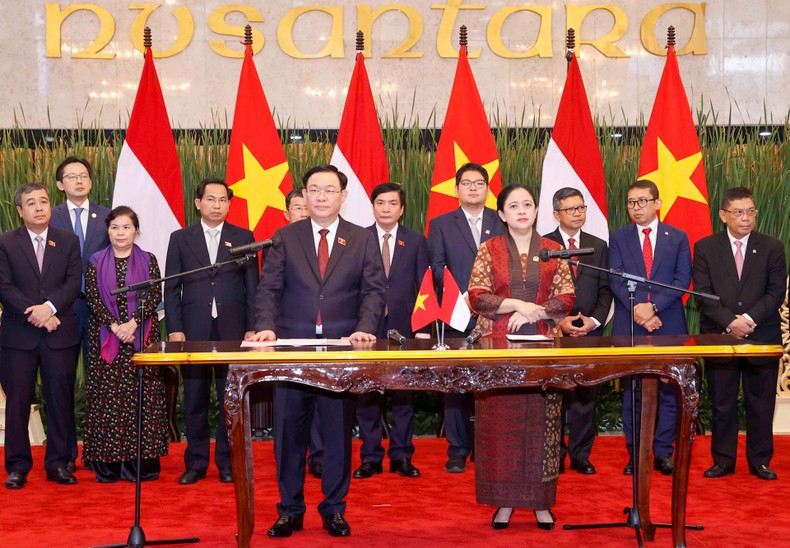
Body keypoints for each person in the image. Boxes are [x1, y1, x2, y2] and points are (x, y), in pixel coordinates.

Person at [250, 164, 386, 538]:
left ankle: (334, 509)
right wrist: (266, 326)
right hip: (293, 345)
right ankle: (290, 509)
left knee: (337, 433)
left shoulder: (361, 239)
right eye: (314, 190)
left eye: (329, 190)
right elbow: (269, 289)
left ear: (343, 196)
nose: (321, 196)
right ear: (304, 196)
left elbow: (374, 290)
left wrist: (364, 329)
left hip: (341, 347)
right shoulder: (284, 236)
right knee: (289, 435)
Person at [467, 184, 575, 530]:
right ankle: (503, 505)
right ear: (501, 214)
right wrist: (517, 304)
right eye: (513, 206)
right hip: (497, 350)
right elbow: (477, 296)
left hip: (543, 348)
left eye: (527, 204)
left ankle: (542, 505)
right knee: (499, 428)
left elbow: (567, 297)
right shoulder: (490, 249)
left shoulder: (553, 249)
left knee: (543, 426)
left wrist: (537, 313)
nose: (521, 210)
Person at [164, 179, 258, 485]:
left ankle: (227, 463)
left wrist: (253, 328)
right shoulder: (180, 238)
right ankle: (196, 462)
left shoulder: (243, 237)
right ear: (198, 203)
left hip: (234, 330)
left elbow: (252, 288)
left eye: (223, 200)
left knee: (230, 399)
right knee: (195, 398)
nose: (217, 205)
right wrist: (175, 328)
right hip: (194, 330)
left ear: (230, 205)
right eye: (211, 199)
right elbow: (171, 287)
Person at [693, 186, 787, 481]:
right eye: (738, 212)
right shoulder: (706, 247)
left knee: (760, 402)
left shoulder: (772, 247)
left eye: (750, 211)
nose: (746, 218)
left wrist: (747, 318)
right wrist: (730, 322)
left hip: (762, 334)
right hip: (722, 336)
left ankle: (760, 461)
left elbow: (775, 293)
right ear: (724, 215)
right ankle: (723, 460)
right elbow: (703, 294)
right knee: (722, 401)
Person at [0, 182, 82, 489]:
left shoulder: (68, 240)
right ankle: (18, 466)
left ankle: (59, 463)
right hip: (18, 337)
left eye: (44, 201)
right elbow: (4, 286)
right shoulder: (5, 243)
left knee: (60, 400)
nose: (39, 207)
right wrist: (35, 314)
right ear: (20, 211)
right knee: (19, 402)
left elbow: (74, 282)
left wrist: (48, 308)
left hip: (59, 332)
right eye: (31, 203)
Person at [608, 179, 691, 476]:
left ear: (657, 204)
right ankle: (636, 453)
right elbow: (615, 280)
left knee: (668, 390)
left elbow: (682, 281)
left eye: (642, 201)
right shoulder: (619, 238)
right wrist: (640, 311)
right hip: (631, 325)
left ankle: (663, 453)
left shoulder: (677, 237)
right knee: (633, 391)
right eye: (631, 202)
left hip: (668, 321)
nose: (636, 207)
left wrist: (653, 307)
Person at [427, 162, 506, 473]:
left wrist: (487, 299)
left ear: (488, 189)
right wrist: (461, 297)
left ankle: (492, 446)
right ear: (456, 189)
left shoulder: (502, 222)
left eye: (479, 183)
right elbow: (436, 266)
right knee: (456, 383)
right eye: (467, 183)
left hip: (497, 313)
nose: (474, 188)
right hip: (457, 312)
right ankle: (457, 448)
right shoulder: (442, 223)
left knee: (496, 382)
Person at [81, 206, 168, 482]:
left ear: (136, 230)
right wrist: (116, 326)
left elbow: (154, 295)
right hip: (107, 339)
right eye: (115, 227)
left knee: (142, 399)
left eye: (126, 227)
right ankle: (108, 466)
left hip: (141, 338)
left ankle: (141, 464)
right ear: (108, 230)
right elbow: (93, 298)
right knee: (108, 401)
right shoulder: (96, 260)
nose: (120, 233)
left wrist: (132, 323)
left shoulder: (148, 260)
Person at [354, 182, 429, 480]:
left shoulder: (416, 240)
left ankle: (401, 456)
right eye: (380, 203)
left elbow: (424, 287)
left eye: (392, 204)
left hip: (404, 327)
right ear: (372, 206)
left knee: (403, 395)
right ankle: (370, 457)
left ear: (402, 209)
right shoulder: (358, 238)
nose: (386, 208)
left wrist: (422, 329)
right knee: (367, 394)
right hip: (367, 327)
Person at [543, 187, 612, 475]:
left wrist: (593, 321)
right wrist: (559, 321)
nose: (578, 213)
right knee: (554, 396)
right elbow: (540, 291)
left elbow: (606, 290)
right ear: (556, 213)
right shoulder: (544, 245)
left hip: (589, 332)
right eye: (571, 209)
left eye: (581, 208)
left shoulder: (598, 245)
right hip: (556, 331)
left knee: (586, 396)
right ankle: (554, 455)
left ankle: (581, 455)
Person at [49, 155, 111, 471]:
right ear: (60, 185)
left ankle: (99, 452)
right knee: (61, 383)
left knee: (99, 382)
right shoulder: (50, 217)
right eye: (71, 176)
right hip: (62, 312)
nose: (78, 180)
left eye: (83, 175)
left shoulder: (108, 217)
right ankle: (65, 454)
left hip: (101, 312)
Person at [284, 187, 324, 479]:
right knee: (296, 403)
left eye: (305, 207)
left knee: (324, 400)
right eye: (297, 208)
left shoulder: (330, 242)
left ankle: (321, 455)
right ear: (287, 214)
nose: (302, 212)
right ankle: (293, 462)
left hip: (329, 335)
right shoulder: (280, 242)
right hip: (292, 336)